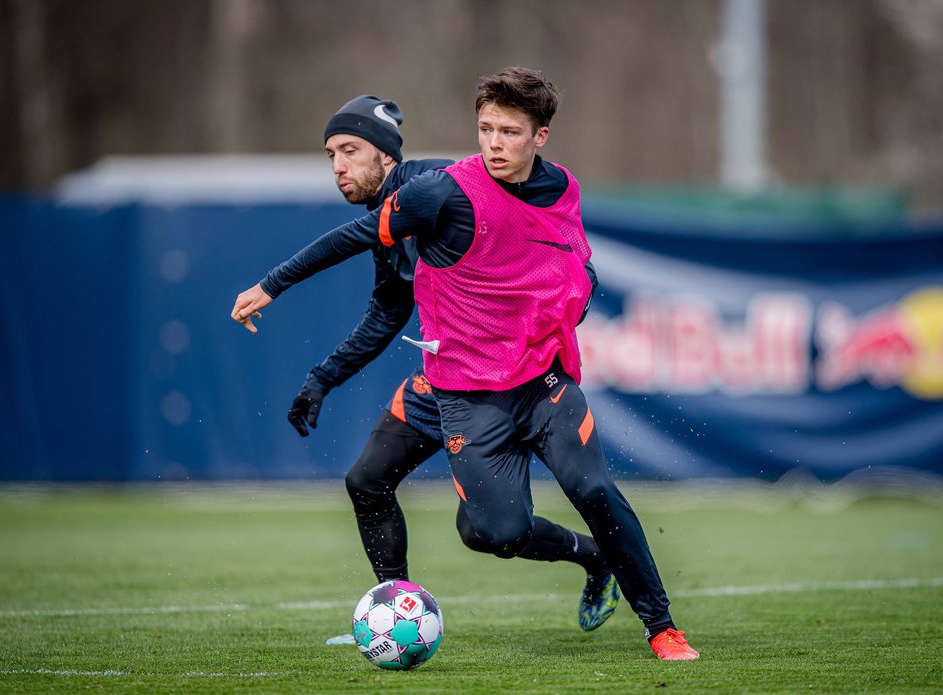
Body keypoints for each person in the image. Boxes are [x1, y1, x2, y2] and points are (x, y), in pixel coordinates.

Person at [232, 69, 699, 660]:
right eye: (485, 129)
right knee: (458, 519)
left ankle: (661, 626)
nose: (337, 166)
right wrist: (323, 376)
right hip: (455, 385)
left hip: (534, 381)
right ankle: (393, 607)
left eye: (348, 151)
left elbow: (572, 261)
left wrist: (270, 285)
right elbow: (385, 308)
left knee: (593, 487)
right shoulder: (411, 215)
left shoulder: (440, 190)